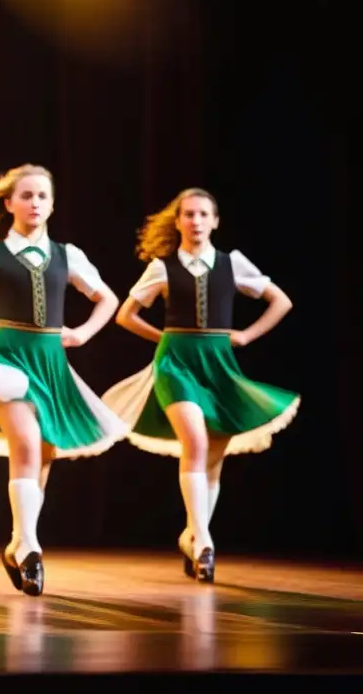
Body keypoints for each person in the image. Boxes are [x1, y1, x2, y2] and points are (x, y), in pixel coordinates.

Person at [0, 164, 126, 596]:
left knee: (47, 451)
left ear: (51, 204)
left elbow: (106, 297)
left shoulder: (67, 255)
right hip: (9, 362)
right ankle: (33, 549)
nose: (34, 203)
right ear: (9, 203)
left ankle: (18, 541)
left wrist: (83, 332)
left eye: (42, 196)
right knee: (25, 445)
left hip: (52, 362)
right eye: (26, 195)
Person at [103, 187, 299, 582]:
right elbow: (126, 315)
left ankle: (192, 535)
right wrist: (164, 338)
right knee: (194, 443)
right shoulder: (162, 267)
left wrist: (246, 335)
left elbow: (281, 300)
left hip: (218, 364)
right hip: (175, 364)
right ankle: (206, 543)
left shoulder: (233, 264)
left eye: (202, 214)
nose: (195, 221)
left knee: (213, 459)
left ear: (215, 221)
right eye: (188, 214)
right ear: (177, 221)